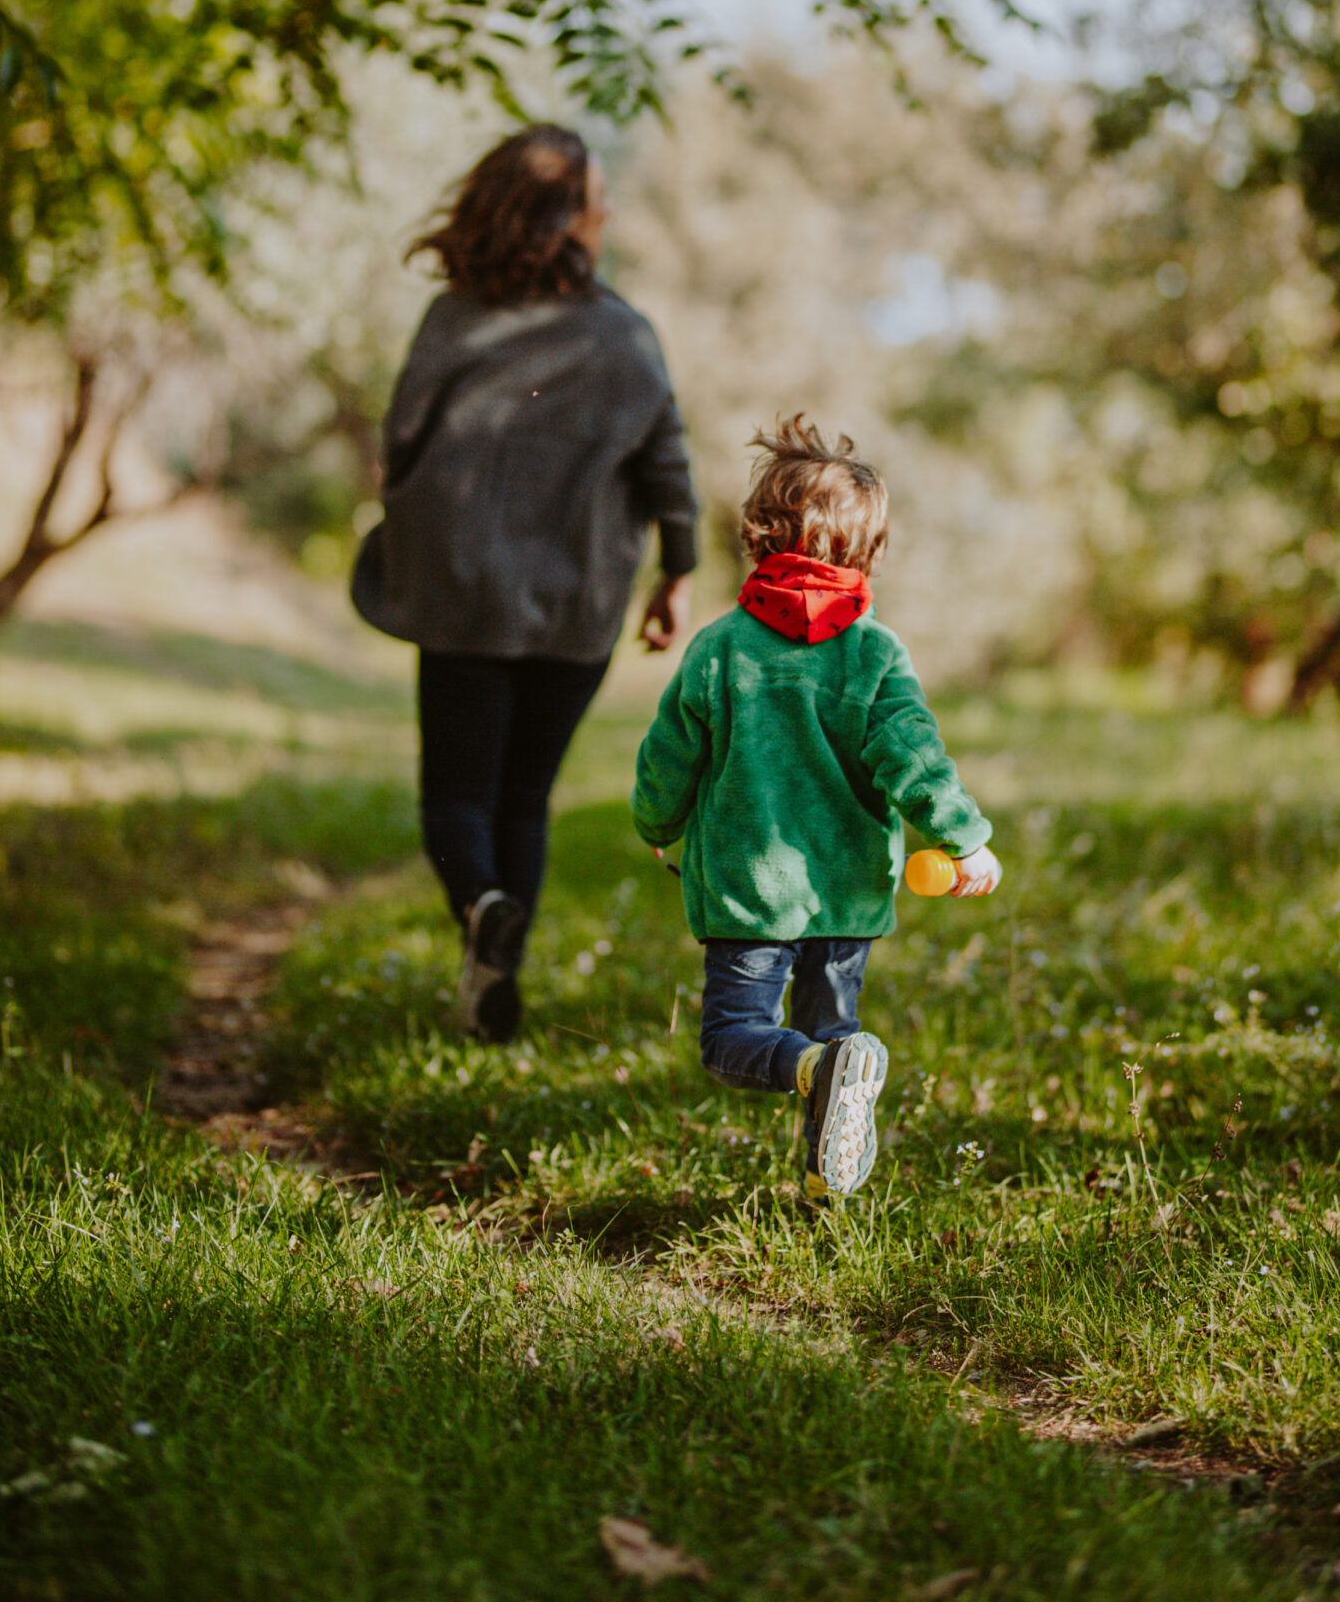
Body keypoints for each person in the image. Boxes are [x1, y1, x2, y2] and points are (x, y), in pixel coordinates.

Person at [353, 125, 696, 1043]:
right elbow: (667, 460)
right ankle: (495, 981)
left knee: (457, 797)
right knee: (525, 798)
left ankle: (481, 906)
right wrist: (679, 569)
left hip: (465, 593)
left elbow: (401, 439)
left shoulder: (456, 317)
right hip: (577, 601)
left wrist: (416, 528)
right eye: (596, 195)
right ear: (564, 214)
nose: (608, 208)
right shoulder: (625, 334)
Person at [631, 415, 999, 1204]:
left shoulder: (721, 648)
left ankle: (807, 1078)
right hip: (847, 889)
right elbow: (913, 756)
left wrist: (656, 824)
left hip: (745, 891)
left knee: (735, 1038)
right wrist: (963, 840)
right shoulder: (874, 653)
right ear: (866, 554)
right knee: (839, 1041)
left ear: (758, 536)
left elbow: (667, 758)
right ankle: (821, 1183)